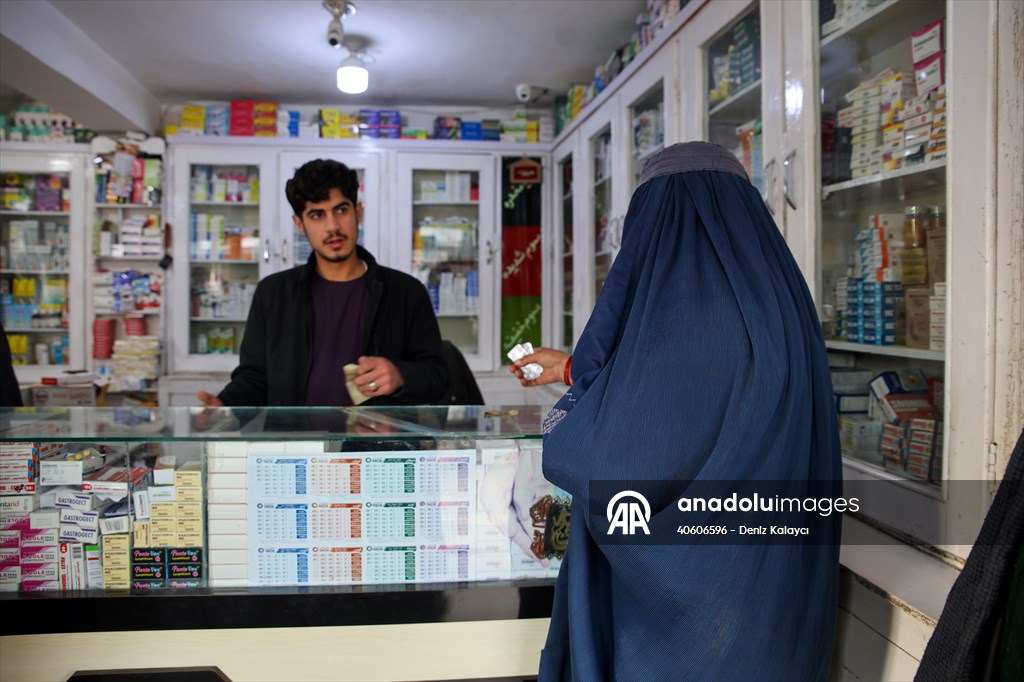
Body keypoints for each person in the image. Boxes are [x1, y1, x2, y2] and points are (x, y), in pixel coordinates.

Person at [512, 142, 842, 680]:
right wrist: (576, 371)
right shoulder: (782, 300)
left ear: (654, 222)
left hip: (696, 637)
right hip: (777, 615)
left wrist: (568, 421)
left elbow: (608, 464)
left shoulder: (689, 313)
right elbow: (691, 394)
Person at [198, 158, 448, 407]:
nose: (333, 226)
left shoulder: (405, 292)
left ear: (357, 212)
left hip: (375, 445)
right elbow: (255, 378)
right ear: (300, 224)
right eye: (317, 215)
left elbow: (438, 378)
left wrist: (400, 376)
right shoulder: (273, 294)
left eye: (341, 210)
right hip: (295, 443)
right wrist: (224, 406)